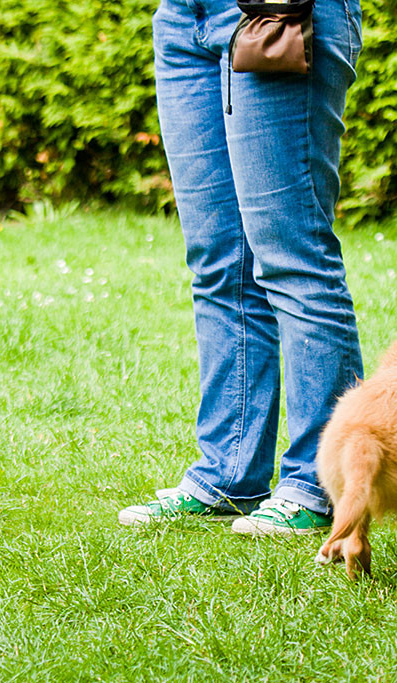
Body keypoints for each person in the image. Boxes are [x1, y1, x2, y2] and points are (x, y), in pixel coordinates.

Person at [117, 0, 365, 535]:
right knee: (218, 261)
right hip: (185, 17)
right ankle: (228, 473)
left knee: (293, 256)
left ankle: (319, 482)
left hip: (276, 11)